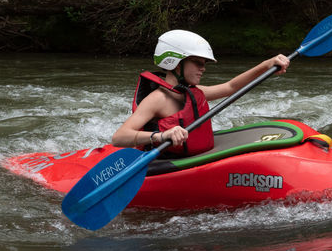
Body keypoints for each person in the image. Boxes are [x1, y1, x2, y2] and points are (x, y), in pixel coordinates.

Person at [112, 29, 290, 156]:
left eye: (204, 63)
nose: (203, 68)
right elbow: (119, 137)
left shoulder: (192, 93)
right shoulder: (157, 99)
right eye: (198, 62)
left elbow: (231, 87)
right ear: (176, 62)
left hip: (196, 157)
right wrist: (162, 135)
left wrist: (267, 65)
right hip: (165, 163)